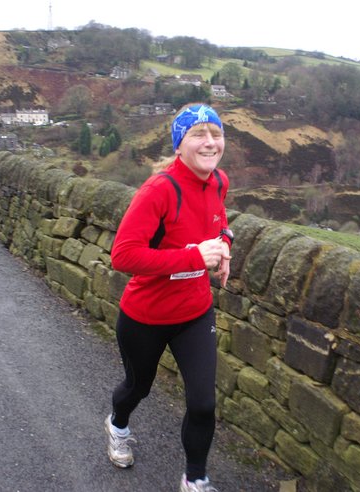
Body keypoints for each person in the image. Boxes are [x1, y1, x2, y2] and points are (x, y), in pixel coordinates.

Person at [106, 103, 233, 492]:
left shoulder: (219, 181)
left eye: (216, 134)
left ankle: (195, 479)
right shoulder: (159, 190)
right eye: (198, 134)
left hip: (195, 312)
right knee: (138, 387)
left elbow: (219, 223)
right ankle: (118, 425)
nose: (210, 142)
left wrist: (224, 245)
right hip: (146, 316)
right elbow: (123, 256)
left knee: (203, 403)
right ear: (179, 145)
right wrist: (194, 257)